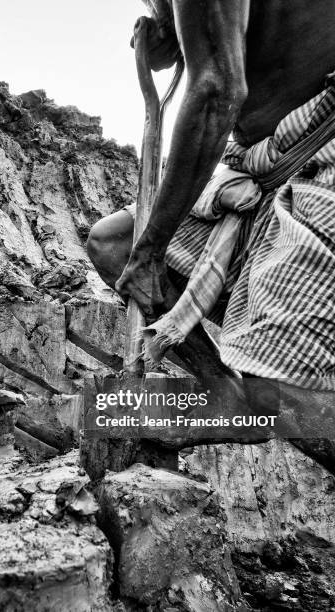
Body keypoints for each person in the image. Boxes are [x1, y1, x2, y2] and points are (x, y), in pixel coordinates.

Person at [87, 0, 335, 459]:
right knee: (115, 244)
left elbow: (217, 90)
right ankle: (226, 398)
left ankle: (260, 400)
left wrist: (154, 249)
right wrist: (173, 40)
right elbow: (237, 38)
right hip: (262, 163)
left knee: (278, 383)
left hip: (320, 154)